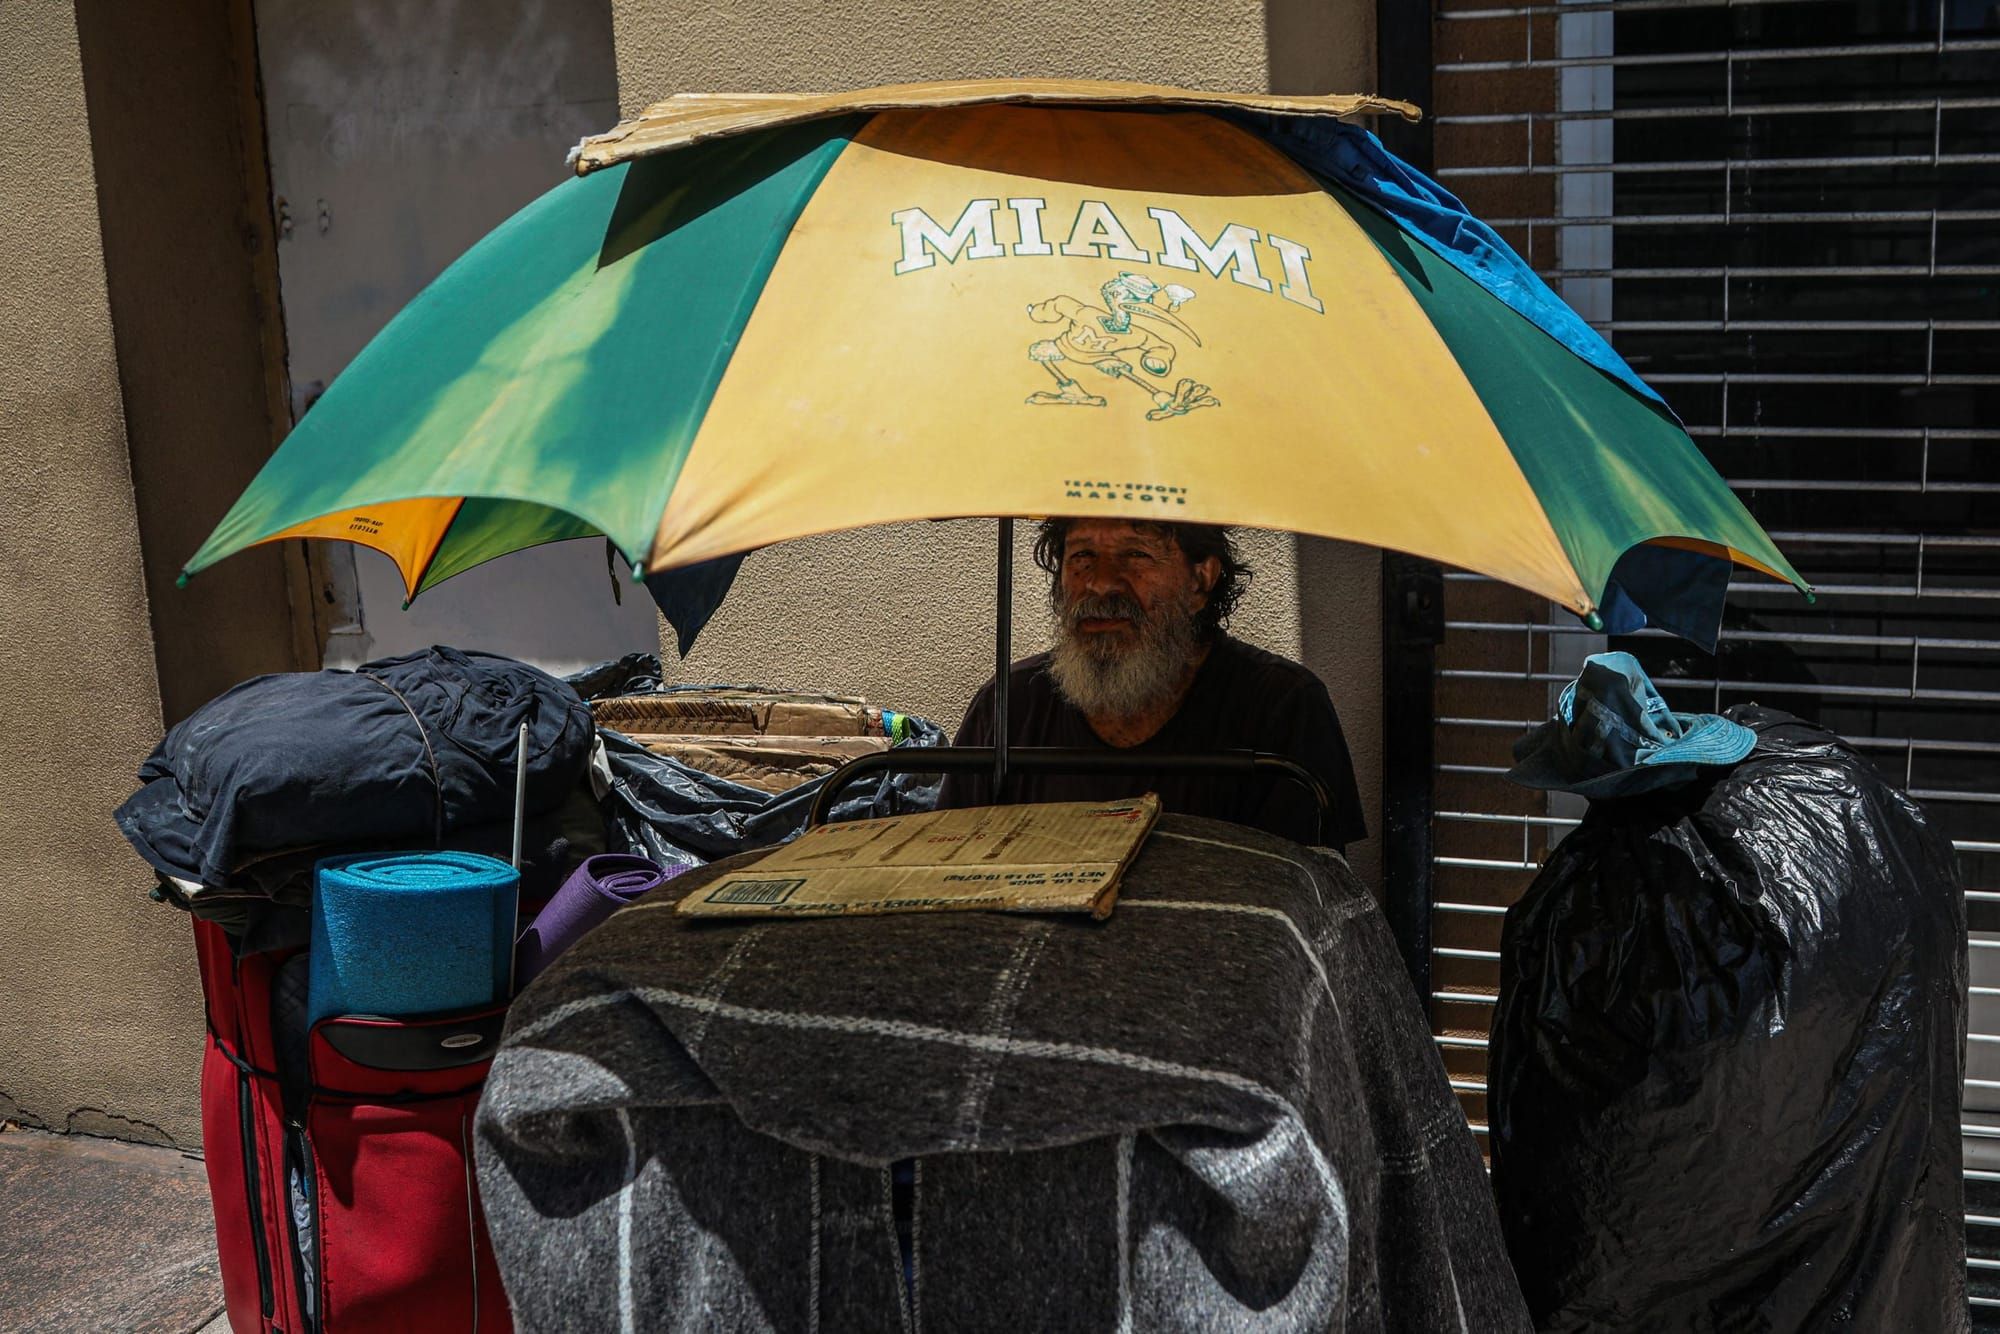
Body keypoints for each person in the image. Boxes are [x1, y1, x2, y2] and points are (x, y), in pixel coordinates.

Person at [940, 517, 1366, 850]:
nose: (1101, 582)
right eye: (1082, 555)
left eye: (1136, 555)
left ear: (1201, 581)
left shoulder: (1282, 707)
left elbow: (1308, 909)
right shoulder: (1008, 706)